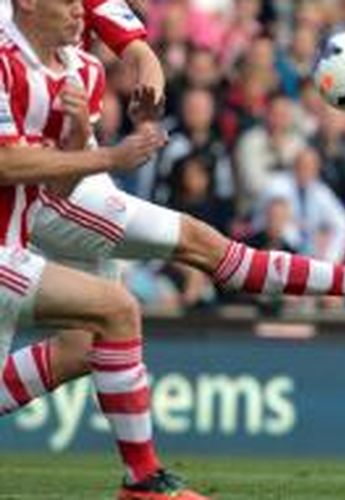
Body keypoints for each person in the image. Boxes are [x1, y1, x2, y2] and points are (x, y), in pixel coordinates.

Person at [0, 0, 345, 417]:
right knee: (194, 248)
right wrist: (110, 158)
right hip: (45, 180)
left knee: (89, 345)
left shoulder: (82, 40)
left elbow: (140, 53)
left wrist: (149, 94)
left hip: (70, 165)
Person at [0, 1, 207, 498]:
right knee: (115, 308)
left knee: (100, 326)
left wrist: (76, 138)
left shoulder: (77, 73)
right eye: (68, 1)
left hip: (13, 239)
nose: (80, 10)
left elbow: (61, 188)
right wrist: (109, 156)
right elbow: (5, 166)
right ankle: (142, 482)